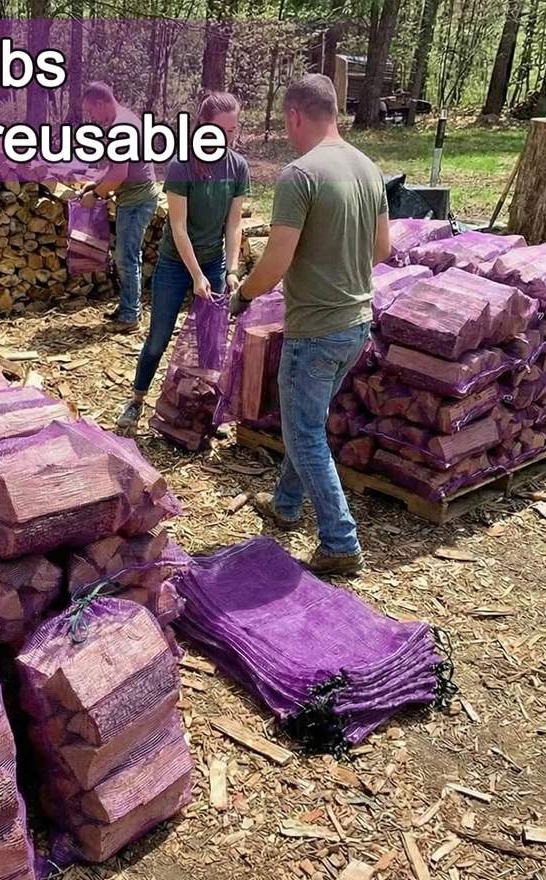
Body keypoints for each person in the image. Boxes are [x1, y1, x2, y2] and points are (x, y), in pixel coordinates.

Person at [231, 74, 390, 576]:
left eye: (286, 123)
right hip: (357, 323)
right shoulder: (367, 168)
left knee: (304, 433)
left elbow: (276, 263)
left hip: (316, 329)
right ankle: (284, 504)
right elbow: (382, 249)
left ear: (295, 115)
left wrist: (243, 295)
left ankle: (340, 542)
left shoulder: (299, 175)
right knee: (309, 421)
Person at [116, 91, 249, 435]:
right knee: (158, 338)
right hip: (176, 266)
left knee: (210, 342)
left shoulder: (237, 166)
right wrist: (195, 275)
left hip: (214, 263)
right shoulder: (181, 165)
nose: (229, 137)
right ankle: (136, 399)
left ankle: (206, 410)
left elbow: (234, 224)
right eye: (223, 130)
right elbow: (178, 228)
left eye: (233, 130)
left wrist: (231, 269)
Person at [79, 82, 160, 331]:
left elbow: (119, 175)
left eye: (91, 111)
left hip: (137, 200)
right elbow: (115, 167)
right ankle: (127, 305)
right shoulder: (123, 119)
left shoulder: (122, 127)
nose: (92, 118)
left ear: (100, 103)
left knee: (126, 258)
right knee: (126, 256)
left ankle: (130, 316)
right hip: (133, 198)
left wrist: (96, 195)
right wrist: (96, 183)